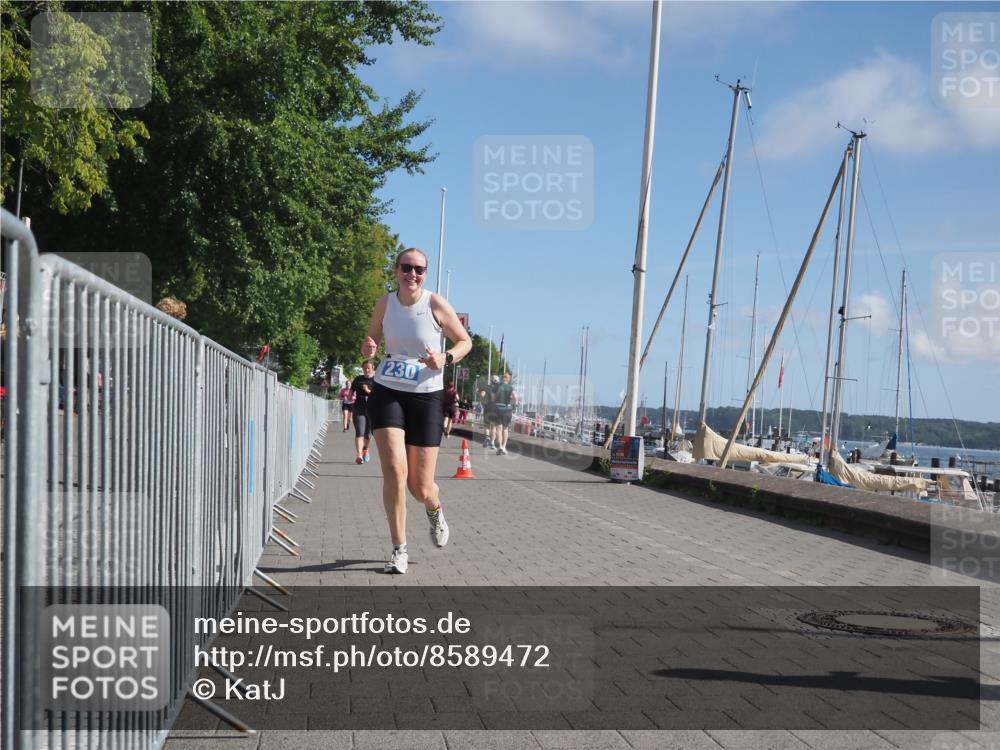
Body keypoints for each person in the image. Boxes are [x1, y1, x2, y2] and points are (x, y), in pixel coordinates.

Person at [362, 247, 472, 575]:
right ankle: (399, 548)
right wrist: (367, 348)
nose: (413, 274)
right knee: (395, 472)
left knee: (420, 487)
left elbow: (464, 341)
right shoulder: (385, 303)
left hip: (426, 396)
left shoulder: (435, 304)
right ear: (395, 270)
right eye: (407, 267)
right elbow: (370, 341)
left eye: (419, 270)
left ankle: (434, 509)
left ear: (425, 274)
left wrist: (445, 358)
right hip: (388, 391)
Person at [351, 361, 376, 464]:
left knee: (368, 434)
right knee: (359, 432)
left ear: (373, 369)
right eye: (365, 368)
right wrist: (349, 399)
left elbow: (379, 395)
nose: (367, 370)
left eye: (369, 368)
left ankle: (365, 449)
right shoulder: (358, 379)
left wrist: (368, 391)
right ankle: (359, 455)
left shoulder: (376, 380)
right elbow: (351, 391)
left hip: (372, 409)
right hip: (358, 408)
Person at [493, 372, 517, 455]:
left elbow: (493, 398)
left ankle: (499, 446)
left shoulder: (496, 386)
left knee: (498, 428)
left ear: (502, 378)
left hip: (498, 408)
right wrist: (510, 397)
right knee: (505, 429)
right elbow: (515, 398)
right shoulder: (510, 387)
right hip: (507, 409)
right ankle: (504, 447)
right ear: (509, 379)